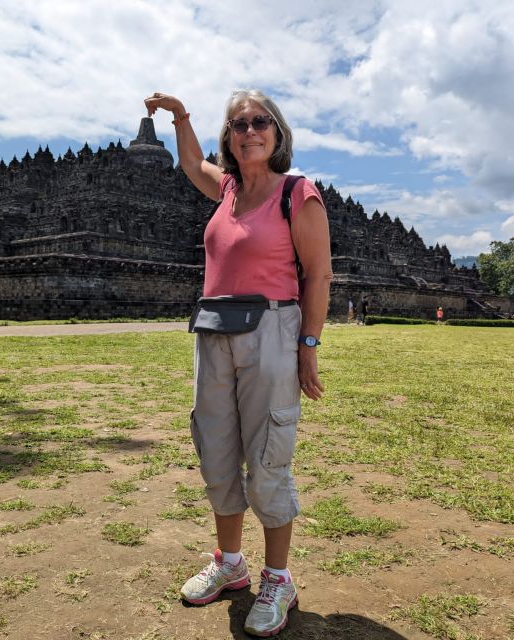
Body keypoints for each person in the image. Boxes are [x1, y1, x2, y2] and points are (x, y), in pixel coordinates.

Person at [144, 90, 332, 637]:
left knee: (268, 453)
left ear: (277, 133)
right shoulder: (225, 190)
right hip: (214, 329)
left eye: (260, 122)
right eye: (237, 124)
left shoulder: (298, 194)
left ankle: (278, 578)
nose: (249, 130)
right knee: (217, 446)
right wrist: (180, 117)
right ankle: (230, 563)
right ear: (228, 137)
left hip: (272, 329)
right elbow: (187, 162)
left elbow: (317, 276)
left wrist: (309, 346)